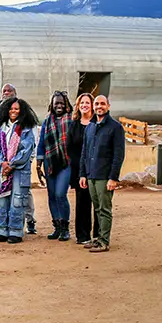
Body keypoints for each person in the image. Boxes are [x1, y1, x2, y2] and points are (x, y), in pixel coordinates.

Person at [0, 83, 38, 235]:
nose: (13, 111)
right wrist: (2, 162)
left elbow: (27, 149)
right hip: (3, 168)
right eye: (11, 109)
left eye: (16, 109)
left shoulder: (26, 128)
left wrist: (12, 164)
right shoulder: (1, 127)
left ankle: (15, 230)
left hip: (19, 169)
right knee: (2, 198)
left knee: (18, 199)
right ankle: (2, 229)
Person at [79, 95, 125, 253]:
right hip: (91, 175)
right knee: (97, 209)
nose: (99, 106)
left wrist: (113, 177)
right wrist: (83, 174)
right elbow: (84, 152)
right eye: (97, 104)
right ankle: (98, 238)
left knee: (104, 209)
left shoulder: (115, 127)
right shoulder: (90, 127)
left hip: (105, 176)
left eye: (102, 104)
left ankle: (104, 241)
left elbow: (118, 155)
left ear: (108, 106)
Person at [37, 91, 74, 242]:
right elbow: (41, 144)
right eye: (56, 103)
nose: (59, 105)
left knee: (60, 194)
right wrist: (39, 163)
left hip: (66, 162)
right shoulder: (47, 121)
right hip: (49, 162)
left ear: (66, 105)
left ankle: (65, 228)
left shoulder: (71, 120)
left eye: (61, 103)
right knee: (51, 196)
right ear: (52, 105)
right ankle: (57, 227)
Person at [68, 93, 99, 245]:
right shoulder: (74, 125)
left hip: (96, 169)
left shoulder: (98, 123)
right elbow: (70, 148)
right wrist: (80, 169)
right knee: (82, 203)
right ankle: (83, 235)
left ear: (92, 105)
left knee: (98, 203)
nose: (84, 105)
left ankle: (98, 236)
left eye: (87, 102)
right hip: (79, 170)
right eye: (82, 103)